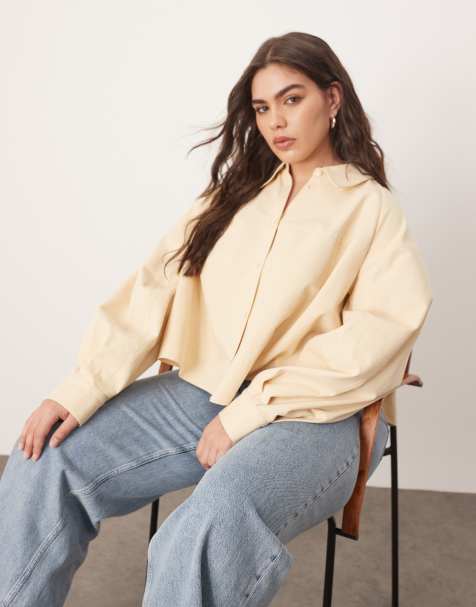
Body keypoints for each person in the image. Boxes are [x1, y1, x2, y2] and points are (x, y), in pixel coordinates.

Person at [0, 31, 432, 607]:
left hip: (322, 417)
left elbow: (377, 336)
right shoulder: (235, 195)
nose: (277, 121)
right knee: (45, 456)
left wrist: (251, 411)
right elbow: (154, 287)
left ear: (332, 99)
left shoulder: (371, 208)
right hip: (208, 395)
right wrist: (81, 388)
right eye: (262, 107)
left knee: (208, 523)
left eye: (292, 99)